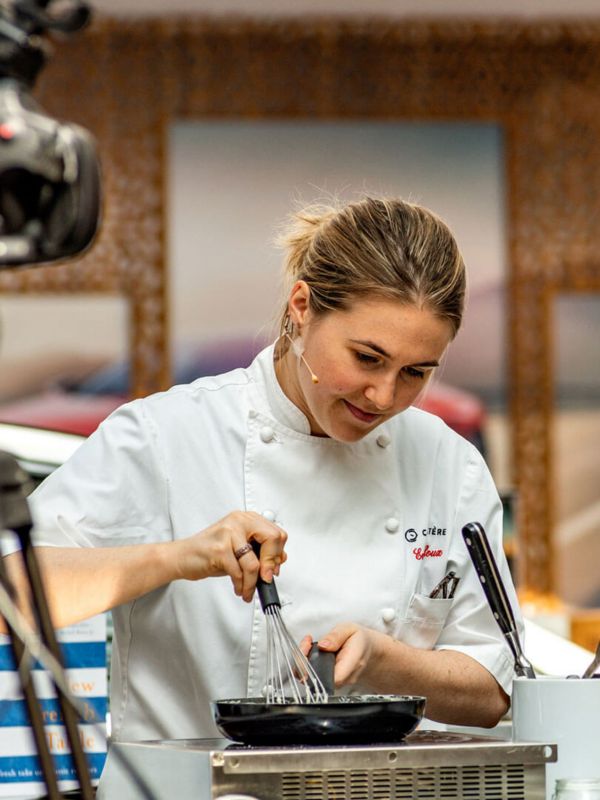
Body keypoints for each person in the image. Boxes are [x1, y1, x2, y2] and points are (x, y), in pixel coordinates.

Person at [4, 196, 520, 746]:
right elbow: (14, 594)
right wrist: (174, 558)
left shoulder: (449, 464)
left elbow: (494, 690)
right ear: (302, 306)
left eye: (416, 372)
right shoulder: (166, 435)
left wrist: (385, 661)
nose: (385, 395)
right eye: (367, 358)